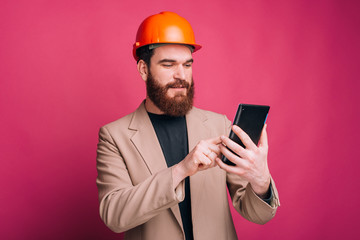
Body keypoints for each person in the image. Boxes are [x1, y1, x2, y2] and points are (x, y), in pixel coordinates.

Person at [96, 11, 280, 240]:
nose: (181, 76)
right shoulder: (114, 136)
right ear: (143, 69)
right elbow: (114, 215)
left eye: (187, 64)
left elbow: (257, 214)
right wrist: (180, 170)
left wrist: (261, 180)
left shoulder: (219, 125)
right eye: (168, 65)